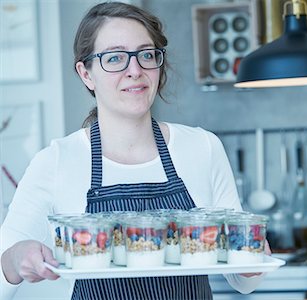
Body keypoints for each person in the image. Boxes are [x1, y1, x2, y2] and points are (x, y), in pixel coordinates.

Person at [0, 2, 267, 299]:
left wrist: (253, 255)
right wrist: (15, 258)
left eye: (146, 54)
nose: (135, 70)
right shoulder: (57, 161)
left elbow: (243, 280)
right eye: (114, 58)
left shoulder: (202, 148)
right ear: (86, 73)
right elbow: (3, 273)